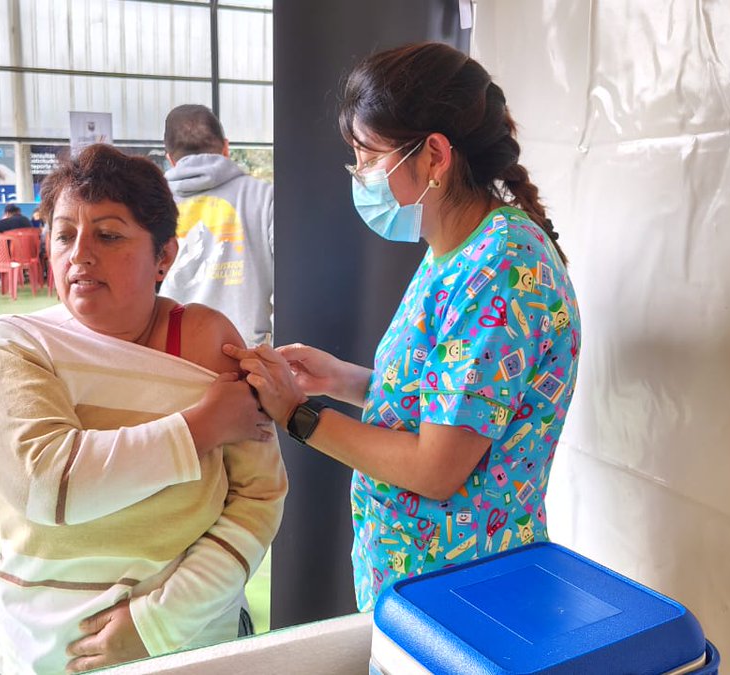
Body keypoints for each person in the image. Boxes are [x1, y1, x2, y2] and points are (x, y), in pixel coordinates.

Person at [227, 43, 582, 612]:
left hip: (463, 594)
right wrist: (343, 381)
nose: (359, 175)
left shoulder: (501, 267)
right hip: (417, 577)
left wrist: (299, 415)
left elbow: (436, 467)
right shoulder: (456, 252)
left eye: (369, 156)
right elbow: (450, 405)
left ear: (435, 156)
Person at [0, 144, 287, 674]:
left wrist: (159, 623)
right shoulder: (13, 345)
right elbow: (49, 483)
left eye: (108, 235)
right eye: (64, 234)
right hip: (43, 654)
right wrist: (200, 428)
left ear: (165, 256)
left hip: (193, 645)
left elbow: (259, 495)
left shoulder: (206, 340)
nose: (80, 254)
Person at [160, 105, 274, 347]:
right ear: (226, 147)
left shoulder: (151, 203)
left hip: (171, 352)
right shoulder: (265, 197)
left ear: (170, 158)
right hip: (246, 355)